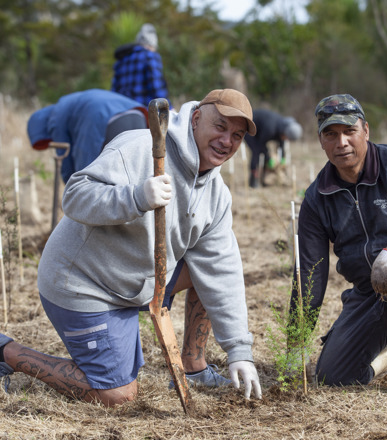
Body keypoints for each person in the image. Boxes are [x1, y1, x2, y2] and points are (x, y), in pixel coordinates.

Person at [0, 89, 262, 406]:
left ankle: (193, 367)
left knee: (205, 269)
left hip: (139, 281)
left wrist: (239, 350)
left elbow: (222, 269)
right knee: (117, 395)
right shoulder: (140, 148)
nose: (226, 141)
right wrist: (135, 198)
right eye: (220, 127)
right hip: (83, 283)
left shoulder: (216, 195)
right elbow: (75, 197)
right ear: (195, 120)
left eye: (236, 135)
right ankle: (6, 351)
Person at [291, 93, 387, 394]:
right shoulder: (316, 198)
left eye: (349, 131)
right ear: (321, 140)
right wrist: (295, 339)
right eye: (330, 134)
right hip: (371, 291)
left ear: (366, 131)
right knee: (332, 376)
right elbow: (311, 272)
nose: (341, 142)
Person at [27, 88, 149, 183]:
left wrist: (73, 189)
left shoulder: (56, 116)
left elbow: (65, 156)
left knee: (88, 175)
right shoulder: (71, 103)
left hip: (106, 120)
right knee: (135, 176)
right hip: (138, 115)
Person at [111, 23, 172, 109]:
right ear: (151, 44)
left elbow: (114, 90)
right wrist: (168, 108)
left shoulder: (122, 60)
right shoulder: (150, 56)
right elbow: (156, 86)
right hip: (143, 113)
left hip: (121, 111)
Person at [244, 108, 302, 188]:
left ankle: (264, 178)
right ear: (285, 133)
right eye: (287, 138)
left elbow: (281, 144)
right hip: (249, 128)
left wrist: (282, 158)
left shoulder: (283, 128)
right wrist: (269, 158)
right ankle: (253, 180)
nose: (287, 140)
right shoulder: (270, 129)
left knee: (263, 154)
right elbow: (261, 144)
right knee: (256, 151)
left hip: (261, 131)